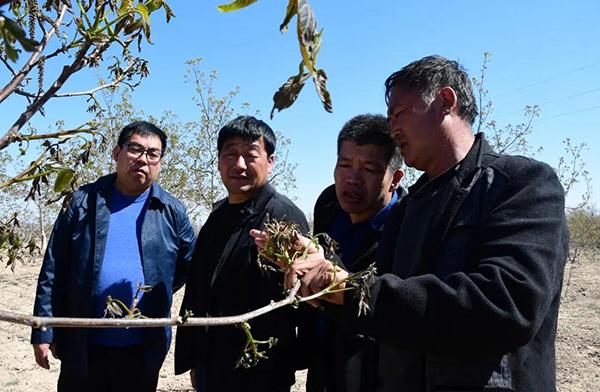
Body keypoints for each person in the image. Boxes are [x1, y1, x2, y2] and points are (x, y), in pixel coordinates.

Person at [283, 55, 569, 391]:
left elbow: (508, 303)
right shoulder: (407, 209)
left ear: (445, 102)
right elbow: (381, 320)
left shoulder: (520, 184)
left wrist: (351, 289)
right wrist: (323, 284)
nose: (392, 129)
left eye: (399, 114)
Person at [31, 121, 196, 391]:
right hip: (83, 345)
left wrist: (151, 290)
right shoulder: (82, 201)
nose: (143, 159)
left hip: (142, 352)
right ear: (116, 152)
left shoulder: (171, 210)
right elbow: (54, 266)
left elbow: (189, 265)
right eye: (135, 149)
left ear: (160, 162)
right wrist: (43, 329)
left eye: (153, 154)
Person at [174, 115, 309, 392]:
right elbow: (199, 289)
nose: (239, 165)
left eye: (250, 155)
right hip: (212, 364)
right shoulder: (217, 217)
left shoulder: (283, 217)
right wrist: (195, 359)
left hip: (259, 367)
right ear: (219, 160)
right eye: (230, 154)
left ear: (270, 161)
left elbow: (299, 299)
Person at [306, 114, 404, 392]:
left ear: (394, 178)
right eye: (344, 165)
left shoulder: (408, 227)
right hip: (323, 367)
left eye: (369, 169)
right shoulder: (328, 207)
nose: (351, 180)